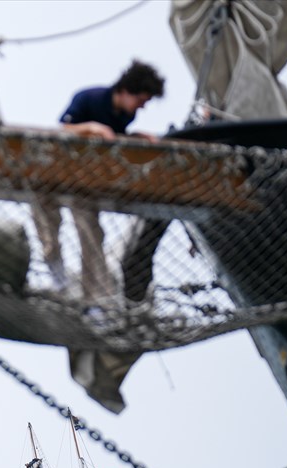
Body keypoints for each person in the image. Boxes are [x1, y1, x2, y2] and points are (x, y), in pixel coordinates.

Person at [32, 60, 166, 297]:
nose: (140, 108)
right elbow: (64, 128)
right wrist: (91, 128)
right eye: (140, 101)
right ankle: (56, 272)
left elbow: (115, 138)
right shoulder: (89, 98)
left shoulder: (125, 116)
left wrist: (136, 136)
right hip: (56, 173)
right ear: (125, 91)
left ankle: (95, 298)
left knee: (91, 232)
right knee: (47, 221)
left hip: (84, 182)